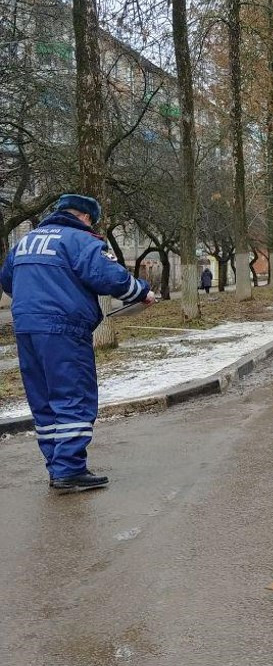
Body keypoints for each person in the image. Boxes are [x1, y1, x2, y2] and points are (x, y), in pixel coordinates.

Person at [0, 194, 153, 492]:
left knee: (43, 400)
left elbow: (7, 281)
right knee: (73, 395)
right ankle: (69, 470)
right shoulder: (80, 240)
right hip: (63, 328)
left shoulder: (25, 242)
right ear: (85, 217)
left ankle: (57, 467)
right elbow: (109, 275)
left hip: (26, 327)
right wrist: (141, 291)